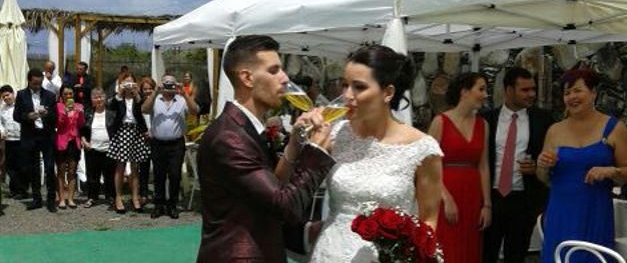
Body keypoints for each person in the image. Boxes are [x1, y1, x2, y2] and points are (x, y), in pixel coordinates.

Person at [196, 35, 335, 263]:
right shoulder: (229, 137)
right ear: (247, 78)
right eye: (274, 70)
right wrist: (317, 152)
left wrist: (294, 144)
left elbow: (272, 188)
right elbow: (285, 207)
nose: (285, 78)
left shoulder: (245, 127)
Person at [310, 44, 443, 263]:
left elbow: (429, 219)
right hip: (330, 253)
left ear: (388, 92)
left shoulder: (422, 148)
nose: (347, 95)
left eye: (359, 87)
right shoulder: (333, 135)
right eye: (344, 85)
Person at [537, 69, 627, 263]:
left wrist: (611, 171)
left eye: (577, 90)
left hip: (595, 212)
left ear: (593, 93)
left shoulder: (615, 128)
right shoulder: (554, 131)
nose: (571, 97)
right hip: (560, 212)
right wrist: (542, 165)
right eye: (567, 93)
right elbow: (543, 177)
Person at [482, 67, 554, 263]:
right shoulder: (486, 119)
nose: (531, 94)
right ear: (508, 90)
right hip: (492, 197)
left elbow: (551, 155)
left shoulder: (544, 120)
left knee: (517, 255)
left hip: (524, 199)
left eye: (533, 89)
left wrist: (537, 168)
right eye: (524, 90)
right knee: (485, 253)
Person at [428, 72, 491, 263]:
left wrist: (487, 204)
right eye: (481, 89)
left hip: (472, 196)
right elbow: (429, 165)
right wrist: (445, 198)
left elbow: (484, 166)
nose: (485, 94)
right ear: (464, 91)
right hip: (445, 191)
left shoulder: (483, 125)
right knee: (447, 248)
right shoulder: (440, 122)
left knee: (470, 248)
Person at [142, 73, 198, 219]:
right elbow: (144, 110)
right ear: (161, 84)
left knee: (175, 175)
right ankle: (159, 205)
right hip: (158, 143)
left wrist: (184, 93)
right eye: (166, 83)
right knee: (159, 175)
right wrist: (155, 92)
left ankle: (172, 205)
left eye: (171, 83)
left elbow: (194, 110)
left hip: (176, 144)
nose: (168, 86)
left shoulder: (181, 100)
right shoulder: (155, 99)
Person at [13, 68, 59, 212]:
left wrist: (47, 114)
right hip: (30, 135)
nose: (37, 86)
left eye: (39, 83)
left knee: (50, 167)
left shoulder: (50, 96)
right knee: (33, 168)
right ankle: (37, 199)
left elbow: (55, 117)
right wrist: (28, 116)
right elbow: (16, 116)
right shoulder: (21, 95)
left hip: (46, 135)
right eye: (34, 83)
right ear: (29, 80)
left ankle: (51, 200)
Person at [106, 72, 150, 214]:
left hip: (136, 131)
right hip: (122, 131)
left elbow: (143, 108)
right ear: (121, 84)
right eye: (126, 83)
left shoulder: (138, 98)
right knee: (120, 166)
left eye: (131, 83)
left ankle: (135, 197)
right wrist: (120, 93)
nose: (129, 85)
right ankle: (118, 198)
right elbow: (111, 106)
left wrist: (136, 93)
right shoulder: (118, 98)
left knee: (135, 166)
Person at [81, 87, 116, 208]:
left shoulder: (112, 114)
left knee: (110, 175)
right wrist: (84, 141)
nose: (98, 99)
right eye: (95, 97)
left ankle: (111, 197)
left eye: (101, 96)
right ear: (92, 100)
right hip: (92, 149)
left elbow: (116, 131)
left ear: (105, 98)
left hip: (109, 149)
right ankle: (92, 197)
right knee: (92, 175)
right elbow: (81, 131)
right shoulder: (87, 114)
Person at [55, 85, 85, 209]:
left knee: (72, 171)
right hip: (62, 141)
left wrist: (81, 113)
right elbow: (57, 124)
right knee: (61, 171)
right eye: (66, 94)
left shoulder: (78, 106)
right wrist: (64, 113)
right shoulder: (58, 106)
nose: (68, 96)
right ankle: (62, 198)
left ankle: (71, 198)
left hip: (74, 141)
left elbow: (81, 124)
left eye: (70, 94)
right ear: (61, 95)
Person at [0, 85, 27, 199]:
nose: (6, 98)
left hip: (21, 139)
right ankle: (14, 189)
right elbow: (0, 123)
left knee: (22, 166)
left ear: (13, 94)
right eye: (3, 96)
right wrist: (1, 131)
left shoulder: (21, 106)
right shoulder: (2, 109)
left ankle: (22, 190)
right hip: (9, 140)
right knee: (11, 166)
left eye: (8, 95)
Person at [137, 76, 156, 206]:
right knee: (143, 168)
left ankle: (158, 193)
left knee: (158, 168)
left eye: (150, 89)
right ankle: (143, 193)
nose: (148, 91)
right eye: (145, 89)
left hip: (157, 138)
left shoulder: (159, 102)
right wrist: (144, 132)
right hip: (143, 138)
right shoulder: (138, 104)